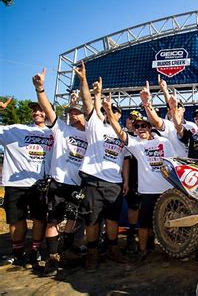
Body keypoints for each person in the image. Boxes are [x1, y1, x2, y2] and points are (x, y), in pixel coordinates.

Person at [102, 92, 175, 265]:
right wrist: (108, 111)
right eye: (137, 127)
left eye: (144, 125)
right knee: (143, 224)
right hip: (148, 191)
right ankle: (143, 251)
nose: (140, 128)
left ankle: (170, 251)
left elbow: (174, 165)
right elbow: (119, 132)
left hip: (166, 191)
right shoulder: (136, 144)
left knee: (168, 223)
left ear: (150, 128)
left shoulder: (165, 142)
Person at [31, 68, 88, 276]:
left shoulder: (91, 135)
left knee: (74, 218)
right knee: (53, 219)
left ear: (83, 115)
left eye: (76, 112)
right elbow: (47, 108)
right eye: (71, 111)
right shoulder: (61, 128)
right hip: (57, 182)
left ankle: (65, 248)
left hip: (77, 184)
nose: (72, 114)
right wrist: (40, 89)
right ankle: (52, 258)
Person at [75, 63, 129, 272]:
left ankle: (113, 250)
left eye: (115, 111)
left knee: (113, 219)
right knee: (92, 219)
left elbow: (125, 159)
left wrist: (124, 180)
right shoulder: (96, 125)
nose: (111, 113)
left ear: (119, 116)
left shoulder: (123, 134)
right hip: (92, 180)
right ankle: (92, 254)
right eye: (109, 110)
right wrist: (84, 81)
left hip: (114, 183)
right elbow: (88, 102)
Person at [0, 97, 53, 268]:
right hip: (15, 184)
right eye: (34, 110)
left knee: (39, 219)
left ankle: (35, 250)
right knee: (16, 220)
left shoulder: (53, 133)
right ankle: (17, 252)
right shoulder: (17, 129)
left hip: (40, 185)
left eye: (41, 110)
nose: (37, 112)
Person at [122, 110, 142, 254]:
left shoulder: (142, 135)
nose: (133, 122)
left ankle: (146, 238)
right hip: (124, 177)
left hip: (143, 176)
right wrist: (126, 181)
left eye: (136, 120)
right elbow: (126, 161)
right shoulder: (121, 135)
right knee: (133, 207)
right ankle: (131, 235)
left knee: (143, 207)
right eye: (131, 119)